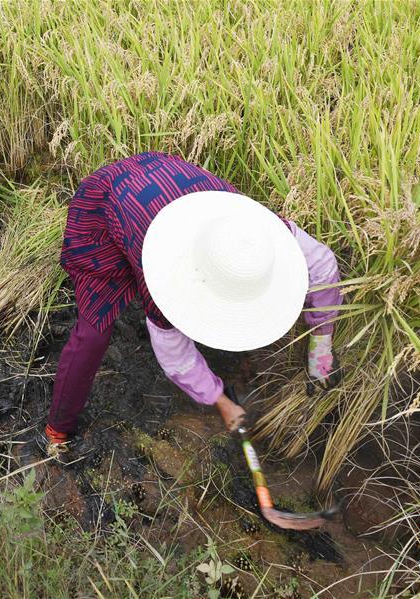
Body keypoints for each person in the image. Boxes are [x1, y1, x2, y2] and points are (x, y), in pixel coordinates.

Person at [45, 152, 342, 452]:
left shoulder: (262, 235)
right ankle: (57, 429)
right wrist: (220, 399)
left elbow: (324, 265)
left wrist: (321, 346)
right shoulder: (163, 275)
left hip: (174, 178)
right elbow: (176, 357)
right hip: (111, 200)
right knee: (93, 333)